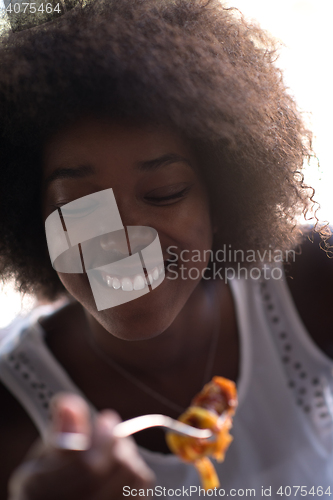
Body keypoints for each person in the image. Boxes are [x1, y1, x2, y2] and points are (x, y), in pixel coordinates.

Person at [0, 0, 332, 498]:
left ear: (221, 199)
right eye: (78, 206)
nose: (123, 239)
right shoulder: (10, 411)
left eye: (164, 194)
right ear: (32, 220)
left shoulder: (312, 280)